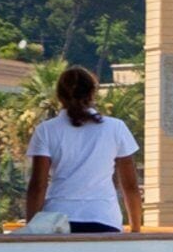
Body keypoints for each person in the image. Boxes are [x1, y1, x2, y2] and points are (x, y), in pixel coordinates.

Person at [22, 67, 141, 233]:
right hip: (104, 219)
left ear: (60, 96)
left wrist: (31, 229)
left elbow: (38, 185)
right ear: (93, 93)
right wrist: (136, 229)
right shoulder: (116, 128)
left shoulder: (46, 130)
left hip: (58, 221)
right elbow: (130, 186)